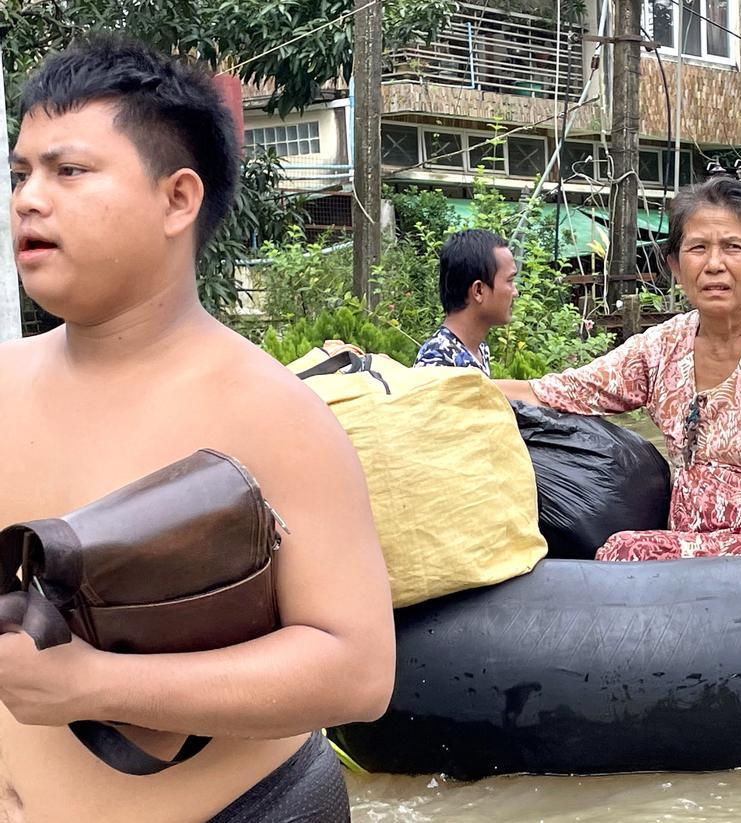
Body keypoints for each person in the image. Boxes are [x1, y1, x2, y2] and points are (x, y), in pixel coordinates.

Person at [0, 37, 395, 822]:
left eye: (68, 171)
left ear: (179, 199)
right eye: (21, 174)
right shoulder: (4, 383)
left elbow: (357, 670)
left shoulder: (270, 410)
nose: (29, 199)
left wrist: (93, 685)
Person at [499, 177, 741, 561]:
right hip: (688, 542)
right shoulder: (662, 345)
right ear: (676, 268)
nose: (714, 265)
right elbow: (558, 391)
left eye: (732, 247)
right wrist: (454, 387)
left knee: (627, 552)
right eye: (698, 248)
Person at [413, 228, 518, 375]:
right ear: (478, 290)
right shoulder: (438, 364)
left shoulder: (478, 348)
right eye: (510, 281)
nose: (515, 292)